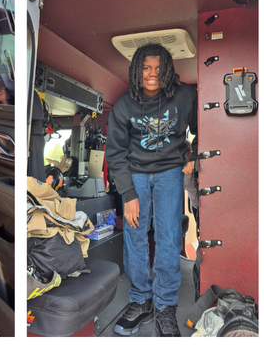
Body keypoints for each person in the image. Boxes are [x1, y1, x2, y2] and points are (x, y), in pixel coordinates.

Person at [106, 44, 196, 337]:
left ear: (168, 70)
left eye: (158, 68)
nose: (152, 74)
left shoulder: (185, 96)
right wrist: (129, 194)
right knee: (135, 235)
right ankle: (141, 300)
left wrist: (195, 155)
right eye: (146, 68)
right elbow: (116, 154)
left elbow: (205, 125)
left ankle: (166, 306)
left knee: (168, 236)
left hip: (171, 171)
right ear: (136, 71)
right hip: (135, 174)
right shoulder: (123, 106)